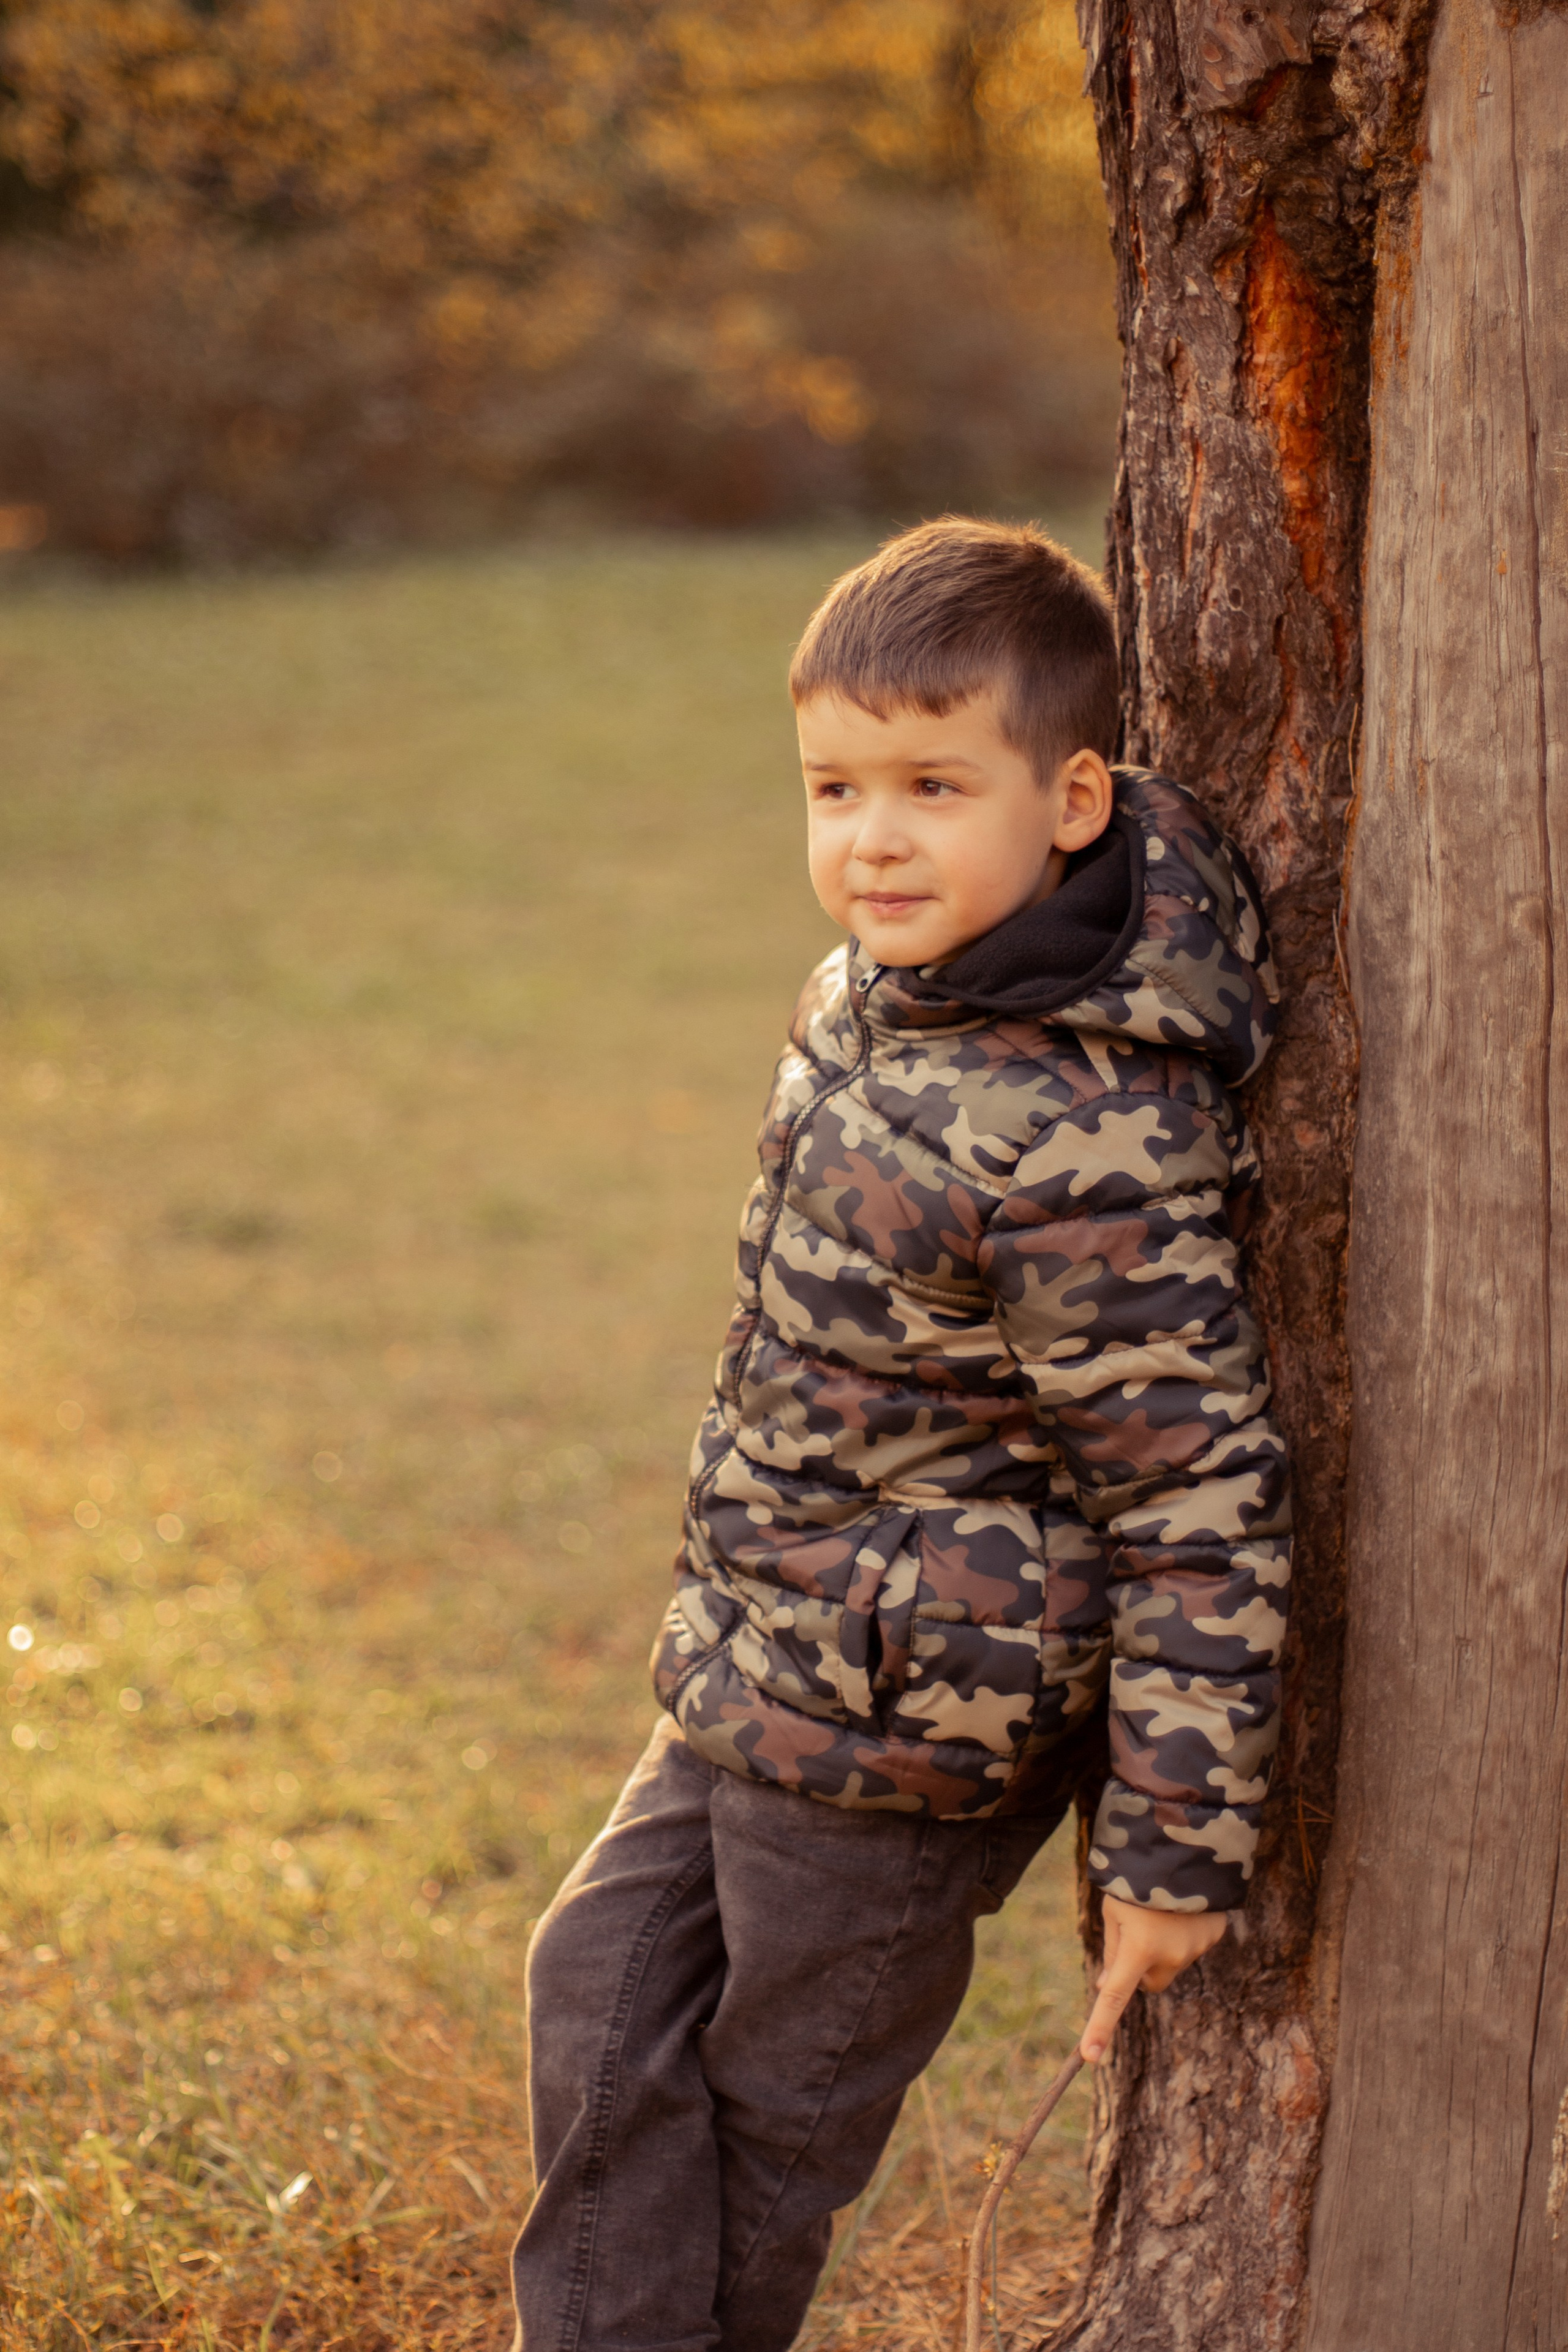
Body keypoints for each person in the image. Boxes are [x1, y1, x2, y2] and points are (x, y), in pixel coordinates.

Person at [511, 517, 1291, 2352]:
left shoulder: (1087, 1133)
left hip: (916, 1720)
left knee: (778, 2121)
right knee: (593, 1999)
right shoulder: (873, 1000)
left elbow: (1197, 1492)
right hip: (756, 1652)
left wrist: (1174, 1850)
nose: (872, 838)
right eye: (835, 785)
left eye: (935, 786)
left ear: (1074, 798)